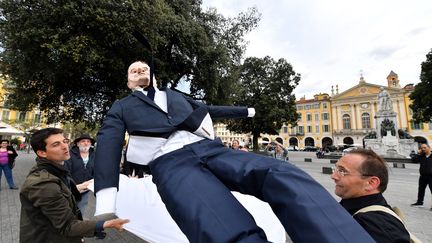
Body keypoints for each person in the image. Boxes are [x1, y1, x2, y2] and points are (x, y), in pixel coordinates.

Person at [94, 60, 374, 243]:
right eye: (133, 70)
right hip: (169, 162)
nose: (140, 72)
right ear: (128, 81)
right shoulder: (121, 106)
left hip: (208, 147)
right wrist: (106, 203)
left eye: (144, 68)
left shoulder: (176, 96)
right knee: (219, 221)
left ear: (154, 74)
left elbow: (208, 110)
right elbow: (108, 143)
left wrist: (247, 111)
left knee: (283, 173)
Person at [19, 128, 129, 242]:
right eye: (56, 144)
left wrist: (82, 186)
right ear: (42, 153)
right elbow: (68, 226)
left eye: (65, 141)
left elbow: (60, 191)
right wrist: (106, 224)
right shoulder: (43, 184)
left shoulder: (56, 170)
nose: (64, 146)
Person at [331, 148, 410, 242]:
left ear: (371, 183)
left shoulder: (376, 226)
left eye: (342, 171)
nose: (333, 176)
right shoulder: (352, 207)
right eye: (335, 169)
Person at [65, 134, 96, 217]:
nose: (86, 143)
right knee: (68, 208)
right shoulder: (70, 154)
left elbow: (97, 170)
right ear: (78, 144)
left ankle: (77, 225)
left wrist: (90, 182)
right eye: (83, 141)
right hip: (71, 188)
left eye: (88, 141)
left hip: (86, 189)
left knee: (80, 210)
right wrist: (75, 185)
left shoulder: (94, 155)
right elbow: (66, 171)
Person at [410, 143, 432, 209]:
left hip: (431, 176)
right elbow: (414, 160)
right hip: (422, 176)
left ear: (429, 148)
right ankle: (419, 202)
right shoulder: (421, 156)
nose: (423, 149)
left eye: (424, 147)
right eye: (422, 148)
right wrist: (418, 153)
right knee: (421, 190)